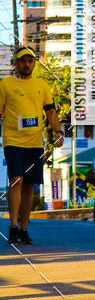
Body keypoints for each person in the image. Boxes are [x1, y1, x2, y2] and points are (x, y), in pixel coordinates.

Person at [0, 46, 64, 245]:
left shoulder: (42, 85)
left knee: (29, 185)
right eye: (22, 61)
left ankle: (24, 228)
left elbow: (51, 112)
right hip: (13, 141)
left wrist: (58, 132)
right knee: (16, 180)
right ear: (16, 63)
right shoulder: (5, 85)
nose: (26, 64)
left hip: (35, 142)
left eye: (30, 61)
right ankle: (12, 227)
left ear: (34, 63)